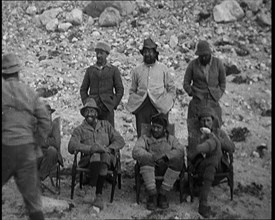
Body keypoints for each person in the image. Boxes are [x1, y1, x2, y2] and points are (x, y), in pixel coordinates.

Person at [2, 53, 51, 220]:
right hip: (27, 151)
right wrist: (36, 142)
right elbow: (45, 119)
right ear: (18, 73)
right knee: (33, 203)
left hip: (5, 148)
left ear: (3, 74)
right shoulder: (29, 92)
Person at [68, 98, 125, 210]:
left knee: (103, 156)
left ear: (97, 113)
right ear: (83, 114)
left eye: (92, 111)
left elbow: (120, 140)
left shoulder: (106, 125)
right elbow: (71, 146)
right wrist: (91, 149)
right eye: (87, 111)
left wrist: (109, 148)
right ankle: (96, 192)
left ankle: (94, 191)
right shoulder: (80, 129)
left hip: (107, 158)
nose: (90, 113)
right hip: (88, 160)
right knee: (96, 154)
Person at [187, 106, 235, 218]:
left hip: (220, 165)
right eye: (203, 120)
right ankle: (203, 203)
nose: (205, 122)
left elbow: (231, 147)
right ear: (199, 122)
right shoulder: (195, 133)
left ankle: (203, 203)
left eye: (208, 120)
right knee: (211, 161)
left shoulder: (220, 132)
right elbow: (192, 152)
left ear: (213, 121)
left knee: (214, 157)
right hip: (201, 166)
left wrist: (214, 138)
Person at [132, 113, 185, 210]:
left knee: (178, 161)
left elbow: (180, 150)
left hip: (166, 168)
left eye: (158, 127)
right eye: (154, 126)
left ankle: (162, 194)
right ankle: (152, 195)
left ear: (164, 129)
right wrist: (151, 156)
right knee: (144, 158)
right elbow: (136, 151)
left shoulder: (171, 139)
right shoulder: (145, 138)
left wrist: (166, 156)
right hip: (150, 167)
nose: (155, 130)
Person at [126, 37, 176, 138]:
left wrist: (169, 103)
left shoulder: (163, 69)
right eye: (145, 51)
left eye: (150, 51)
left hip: (160, 106)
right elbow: (132, 90)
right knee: (143, 134)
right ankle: (143, 152)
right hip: (142, 106)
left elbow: (171, 88)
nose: (148, 54)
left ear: (155, 53)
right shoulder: (137, 70)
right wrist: (135, 101)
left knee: (161, 133)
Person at [80, 41, 124, 128]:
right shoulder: (90, 70)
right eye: (97, 53)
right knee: (92, 133)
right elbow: (83, 90)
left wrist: (113, 104)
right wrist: (87, 103)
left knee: (109, 133)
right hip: (93, 109)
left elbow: (120, 90)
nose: (99, 56)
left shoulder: (113, 70)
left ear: (106, 54)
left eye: (101, 53)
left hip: (107, 109)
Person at [183, 40, 226, 126]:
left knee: (215, 128)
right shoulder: (192, 64)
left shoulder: (218, 63)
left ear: (210, 53)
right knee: (195, 127)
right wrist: (192, 92)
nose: (203, 58)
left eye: (206, 55)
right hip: (197, 102)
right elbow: (186, 83)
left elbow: (223, 82)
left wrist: (218, 94)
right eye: (201, 56)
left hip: (213, 101)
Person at [37, 103, 64, 190]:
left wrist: (42, 141)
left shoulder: (54, 126)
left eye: (48, 114)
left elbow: (56, 143)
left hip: (51, 154)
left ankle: (38, 179)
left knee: (52, 150)